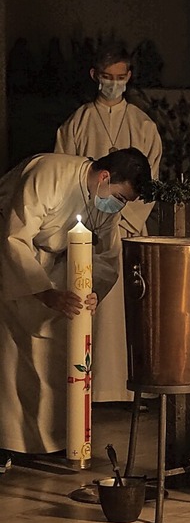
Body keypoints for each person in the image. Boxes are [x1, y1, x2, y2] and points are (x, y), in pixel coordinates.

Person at [0, 149, 151, 461]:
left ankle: (49, 440)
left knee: (54, 355)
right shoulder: (50, 173)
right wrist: (44, 292)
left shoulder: (105, 202)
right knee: (12, 354)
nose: (118, 206)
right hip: (14, 259)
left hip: (54, 264)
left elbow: (108, 257)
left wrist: (91, 290)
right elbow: (15, 238)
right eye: (120, 197)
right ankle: (9, 441)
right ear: (104, 176)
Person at [55, 42, 162, 403]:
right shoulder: (77, 123)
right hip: (89, 230)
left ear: (129, 77)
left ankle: (130, 389)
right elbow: (65, 175)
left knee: (128, 309)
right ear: (94, 77)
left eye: (120, 77)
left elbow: (150, 181)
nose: (114, 84)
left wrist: (125, 218)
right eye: (107, 78)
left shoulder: (143, 125)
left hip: (129, 227)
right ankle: (93, 388)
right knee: (93, 306)